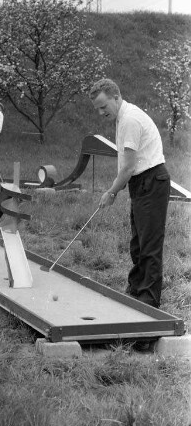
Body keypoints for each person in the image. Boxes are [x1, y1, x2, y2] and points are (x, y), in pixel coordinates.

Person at [89, 78, 170, 311]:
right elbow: (126, 166)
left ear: (116, 97)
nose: (101, 112)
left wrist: (111, 192)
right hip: (141, 183)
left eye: (104, 106)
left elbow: (128, 166)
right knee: (137, 242)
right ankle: (136, 288)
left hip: (152, 181)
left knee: (149, 244)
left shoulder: (130, 120)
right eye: (97, 109)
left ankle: (149, 302)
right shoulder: (121, 118)